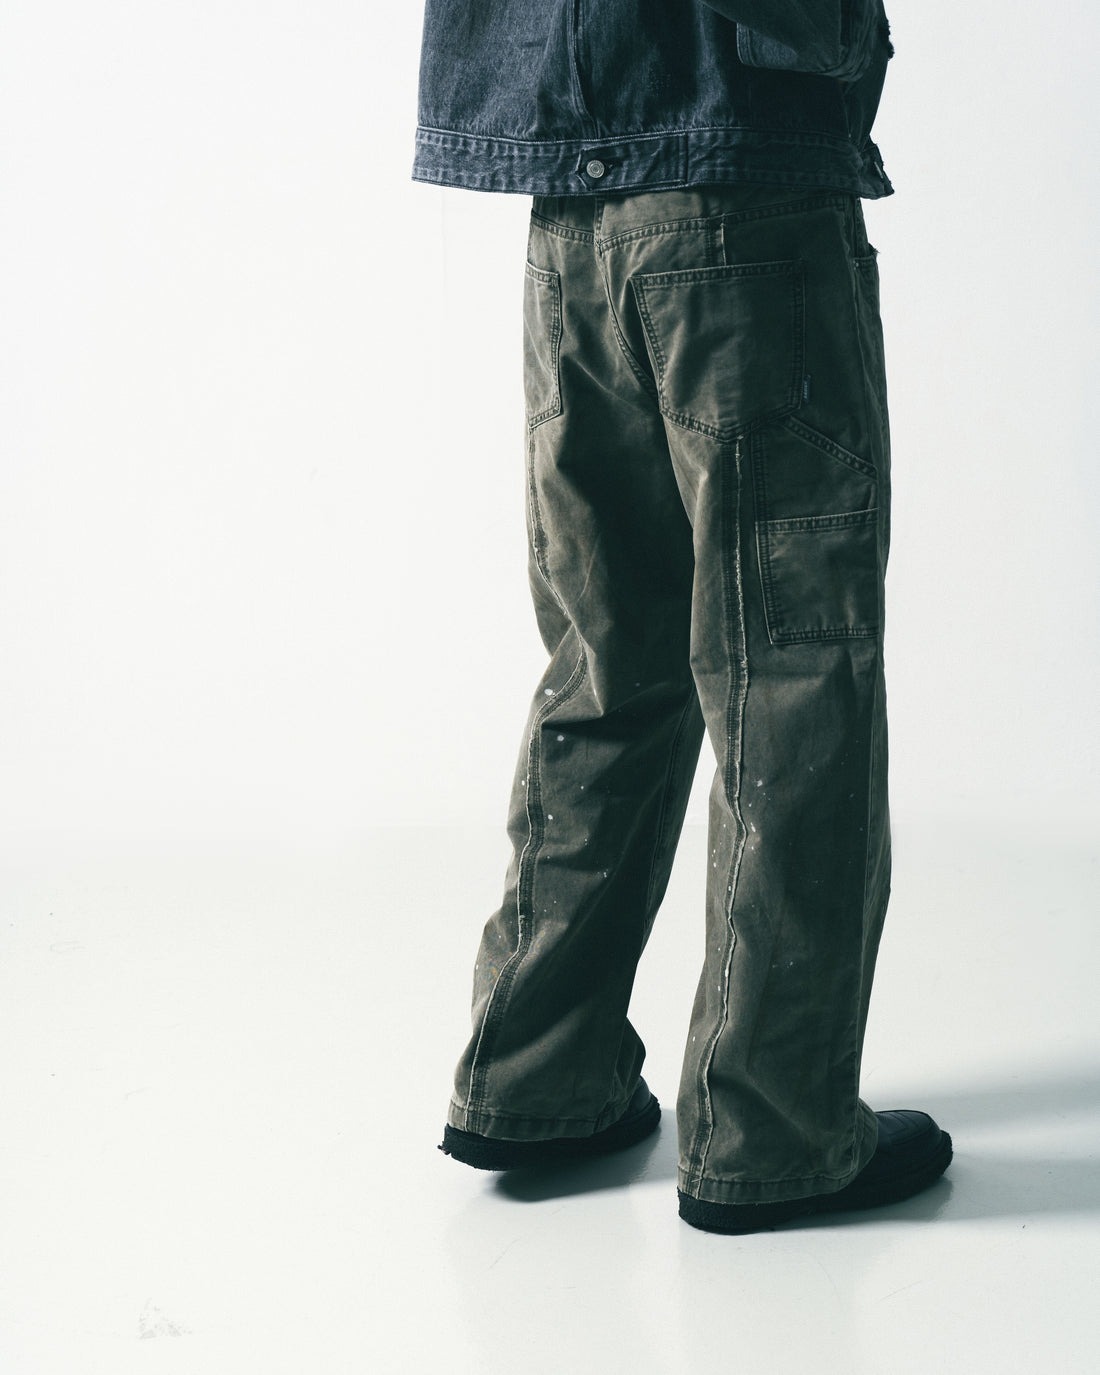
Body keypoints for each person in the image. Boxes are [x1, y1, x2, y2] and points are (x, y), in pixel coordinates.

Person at [413, 0, 952, 1233]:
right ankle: (773, 1128)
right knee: (792, 668)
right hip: (734, 171)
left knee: (608, 659)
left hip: (570, 206)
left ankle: (534, 1076)